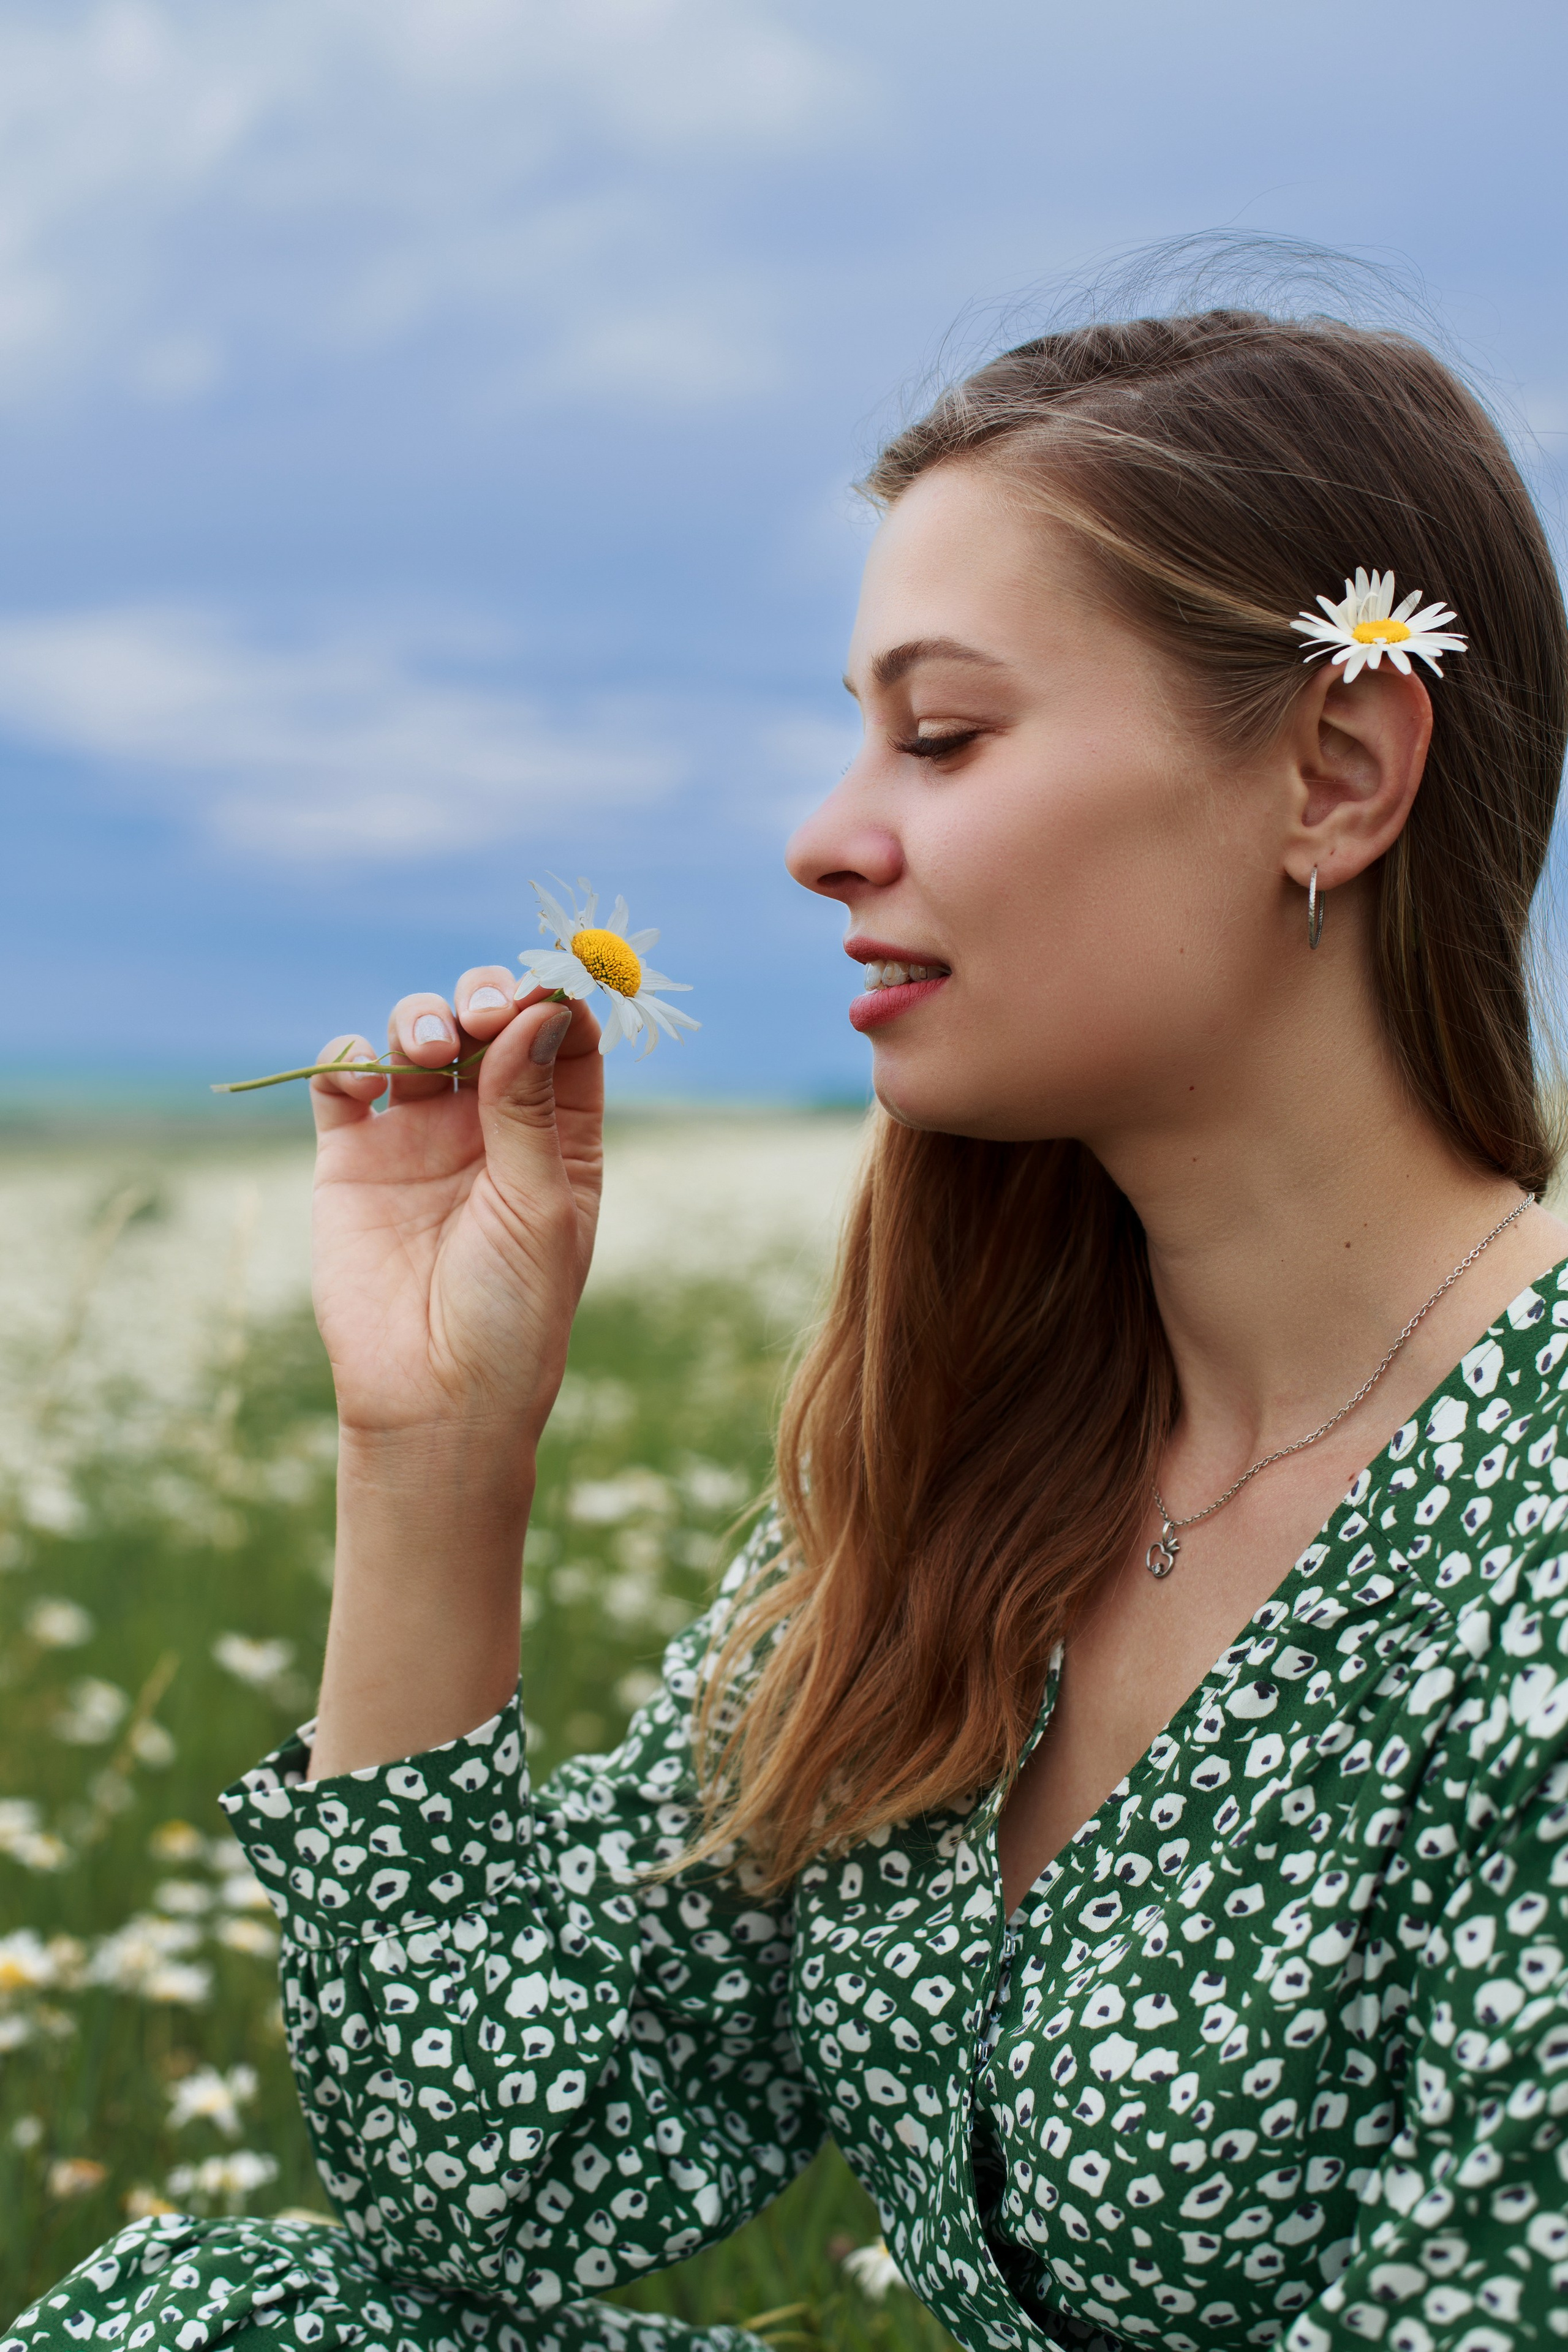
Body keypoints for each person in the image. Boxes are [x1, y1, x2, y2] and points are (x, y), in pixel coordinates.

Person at [11, 299, 1568, 2352]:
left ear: (1336, 775)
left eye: (943, 736)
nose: (824, 837)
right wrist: (435, 1445)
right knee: (220, 2318)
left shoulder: (1529, 1534)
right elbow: (491, 2178)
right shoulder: (987, 1456)